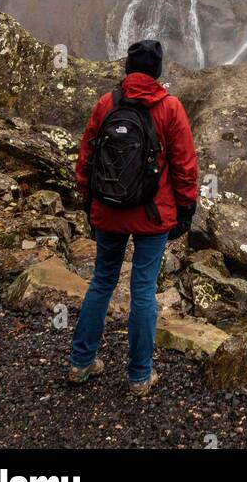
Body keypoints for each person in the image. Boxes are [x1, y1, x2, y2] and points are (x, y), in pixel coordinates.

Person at [68, 39, 198, 396]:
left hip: (108, 209)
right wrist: (186, 209)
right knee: (142, 291)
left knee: (101, 282)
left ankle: (80, 363)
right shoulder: (170, 108)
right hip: (152, 215)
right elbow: (185, 166)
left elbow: (87, 157)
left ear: (127, 68)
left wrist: (87, 199)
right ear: (157, 72)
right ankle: (139, 377)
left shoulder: (106, 103)